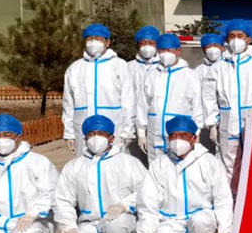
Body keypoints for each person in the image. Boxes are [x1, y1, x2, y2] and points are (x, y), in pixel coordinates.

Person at [137, 116, 234, 233]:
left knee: (201, 221)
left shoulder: (209, 162)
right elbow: (148, 202)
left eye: (183, 136)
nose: (177, 140)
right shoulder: (159, 165)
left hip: (200, 220)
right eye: (173, 136)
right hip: (172, 222)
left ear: (194, 138)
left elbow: (222, 199)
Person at [55, 115, 147, 233]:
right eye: (91, 134)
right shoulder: (74, 166)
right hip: (90, 224)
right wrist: (69, 227)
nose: (96, 138)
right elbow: (62, 199)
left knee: (114, 223)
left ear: (111, 138)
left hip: (123, 222)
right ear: (85, 138)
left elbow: (146, 192)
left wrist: (124, 205)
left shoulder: (128, 163)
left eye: (101, 133)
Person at [202, 19, 252, 182]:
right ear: (227, 40)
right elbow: (209, 97)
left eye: (240, 36)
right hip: (227, 126)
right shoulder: (218, 67)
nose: (236, 40)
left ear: (248, 39)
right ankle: (230, 197)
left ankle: (249, 196)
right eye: (232, 36)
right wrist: (212, 124)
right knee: (227, 166)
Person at [63, 23, 135, 157]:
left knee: (113, 165)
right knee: (85, 166)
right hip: (83, 132)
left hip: (113, 131)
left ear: (107, 42)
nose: (93, 42)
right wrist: (69, 134)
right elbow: (68, 104)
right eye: (89, 39)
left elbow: (128, 101)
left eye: (98, 38)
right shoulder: (75, 69)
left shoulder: (119, 66)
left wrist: (127, 132)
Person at [137, 33, 203, 164]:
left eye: (168, 50)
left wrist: (197, 132)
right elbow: (142, 104)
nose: (164, 54)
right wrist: (141, 133)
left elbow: (197, 106)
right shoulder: (151, 74)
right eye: (161, 50)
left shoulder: (190, 75)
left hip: (179, 135)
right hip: (154, 135)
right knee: (156, 169)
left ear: (178, 51)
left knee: (179, 168)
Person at [128, 26, 161, 164]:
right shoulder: (129, 67)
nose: (147, 47)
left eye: (151, 43)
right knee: (134, 162)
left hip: (158, 121)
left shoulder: (163, 66)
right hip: (132, 121)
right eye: (143, 43)